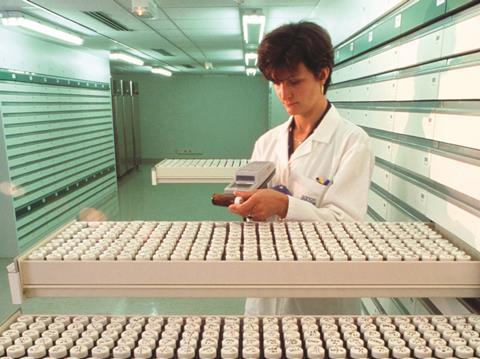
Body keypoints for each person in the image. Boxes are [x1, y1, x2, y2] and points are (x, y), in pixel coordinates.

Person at [228, 22, 374, 315]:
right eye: (276, 82)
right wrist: (246, 205)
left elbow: (347, 227)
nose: (284, 93)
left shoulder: (352, 142)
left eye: (294, 81)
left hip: (321, 294)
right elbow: (249, 209)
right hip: (267, 288)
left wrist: (284, 205)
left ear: (322, 74)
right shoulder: (267, 142)